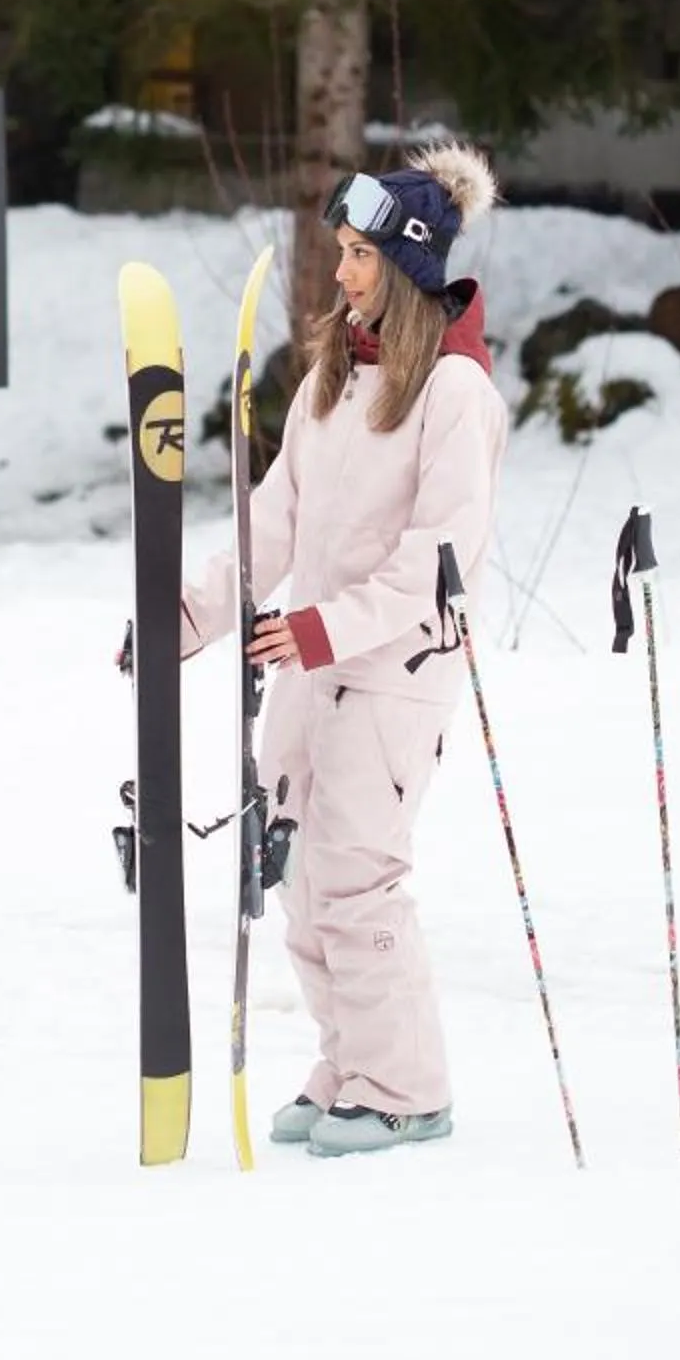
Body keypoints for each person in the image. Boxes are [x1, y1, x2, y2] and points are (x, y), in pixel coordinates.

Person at [177, 141, 507, 1157]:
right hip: (311, 660)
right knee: (300, 876)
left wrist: (320, 629)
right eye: (342, 251)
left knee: (358, 875)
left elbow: (437, 558)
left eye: (363, 254)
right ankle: (349, 1061)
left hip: (396, 668)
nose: (342, 271)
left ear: (407, 267)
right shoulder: (332, 377)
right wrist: (188, 618)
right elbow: (272, 522)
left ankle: (407, 1085)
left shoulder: (454, 394)